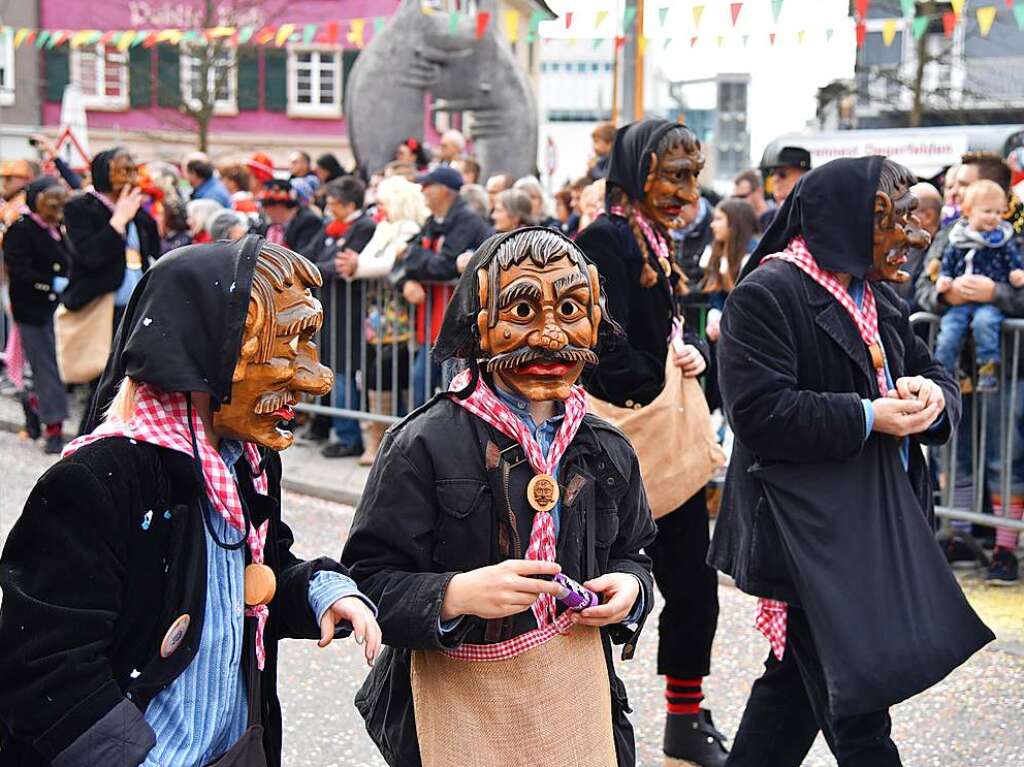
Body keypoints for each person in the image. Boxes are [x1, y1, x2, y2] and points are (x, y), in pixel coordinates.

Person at [0, 236, 381, 767]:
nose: (314, 378)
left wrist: (323, 592)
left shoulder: (248, 462)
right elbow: (45, 665)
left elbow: (261, 569)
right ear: (205, 350)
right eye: (284, 346)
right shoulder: (99, 480)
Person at [341, 226, 656, 767]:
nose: (553, 336)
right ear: (479, 325)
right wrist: (454, 595)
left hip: (575, 696)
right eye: (524, 312)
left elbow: (636, 552)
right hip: (453, 705)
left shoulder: (607, 447)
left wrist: (630, 588)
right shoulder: (423, 444)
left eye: (571, 308)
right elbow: (367, 583)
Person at [712, 156, 990, 767]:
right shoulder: (768, 293)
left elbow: (929, 367)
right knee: (859, 718)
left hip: (864, 526)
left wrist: (932, 397)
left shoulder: (873, 293)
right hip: (806, 535)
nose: (914, 243)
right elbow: (760, 414)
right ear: (849, 222)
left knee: (791, 694)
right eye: (899, 224)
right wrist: (870, 416)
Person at [574, 118, 728, 767]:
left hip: (660, 442)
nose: (685, 190)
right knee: (602, 589)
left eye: (692, 176)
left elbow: (656, 329)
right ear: (638, 172)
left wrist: (685, 355)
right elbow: (599, 337)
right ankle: (584, 719)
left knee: (693, 581)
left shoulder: (653, 238)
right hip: (614, 442)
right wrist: (651, 379)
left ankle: (684, 718)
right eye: (673, 175)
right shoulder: (604, 237)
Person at [914, 152, 1024, 581]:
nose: (952, 190)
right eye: (953, 185)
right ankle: (956, 534)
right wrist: (948, 296)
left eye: (962, 184)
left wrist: (994, 293)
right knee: (953, 455)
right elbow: (922, 288)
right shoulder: (948, 235)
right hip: (954, 371)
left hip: (1005, 370)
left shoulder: (1013, 237)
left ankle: (1004, 547)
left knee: (1003, 457)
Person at [63, 147, 161, 435]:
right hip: (99, 305)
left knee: (124, 380)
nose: (130, 177)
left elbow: (152, 256)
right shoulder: (80, 208)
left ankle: (107, 437)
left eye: (134, 170)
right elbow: (90, 255)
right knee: (102, 379)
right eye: (122, 170)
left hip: (135, 307)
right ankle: (88, 439)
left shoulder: (142, 217)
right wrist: (118, 221)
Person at [347, 174, 428, 465]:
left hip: (401, 318)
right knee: (375, 375)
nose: (379, 209)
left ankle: (395, 442)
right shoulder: (385, 228)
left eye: (383, 203)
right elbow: (364, 263)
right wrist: (362, 266)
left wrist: (362, 266)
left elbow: (380, 264)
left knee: (394, 375)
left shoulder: (409, 228)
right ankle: (376, 439)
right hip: (378, 318)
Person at [399, 166, 492, 405]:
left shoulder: (467, 220)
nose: (422, 190)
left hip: (459, 324)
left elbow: (444, 266)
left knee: (453, 386)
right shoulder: (433, 221)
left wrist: (414, 256)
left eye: (427, 186)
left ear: (444, 190)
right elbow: (404, 259)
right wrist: (407, 279)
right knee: (421, 381)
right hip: (433, 322)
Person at [309, 177, 378, 458]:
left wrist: (318, 268)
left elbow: (336, 266)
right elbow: (310, 258)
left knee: (343, 370)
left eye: (333, 203)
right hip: (330, 308)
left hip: (351, 311)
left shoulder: (363, 227)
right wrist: (318, 267)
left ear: (350, 204)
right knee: (332, 368)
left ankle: (349, 435)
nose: (328, 207)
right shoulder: (331, 226)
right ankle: (340, 430)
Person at [934, 179, 1024, 391]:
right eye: (987, 211)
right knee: (949, 330)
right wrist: (945, 282)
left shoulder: (1004, 239)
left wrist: (1014, 275)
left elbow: (1012, 261)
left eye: (998, 212)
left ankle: (988, 369)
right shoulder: (956, 237)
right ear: (968, 211)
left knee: (985, 324)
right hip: (959, 304)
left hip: (988, 305)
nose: (994, 217)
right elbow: (948, 262)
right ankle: (941, 371)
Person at [2, 177, 71, 453]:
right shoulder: (22, 228)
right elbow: (18, 271)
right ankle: (54, 428)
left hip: (55, 307)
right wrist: (49, 284)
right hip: (32, 307)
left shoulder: (54, 229)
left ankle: (33, 411)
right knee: (45, 369)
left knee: (44, 368)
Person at [700, 198, 759, 344]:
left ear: (734, 223)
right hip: (724, 334)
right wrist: (715, 320)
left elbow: (750, 301)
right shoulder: (716, 252)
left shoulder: (753, 257)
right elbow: (716, 298)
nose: (712, 224)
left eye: (719, 219)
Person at [895, 182, 942, 307]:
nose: (900, 219)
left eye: (906, 213)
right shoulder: (901, 246)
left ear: (928, 216)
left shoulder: (943, 250)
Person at [258, 178, 321, 254]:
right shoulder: (266, 223)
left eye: (270, 205)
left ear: (280, 206)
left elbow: (303, 255)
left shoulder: (308, 222)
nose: (266, 211)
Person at [758, 145, 810, 231]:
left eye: (782, 174)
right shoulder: (766, 219)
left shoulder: (812, 216)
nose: (774, 179)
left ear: (803, 177)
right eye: (772, 173)